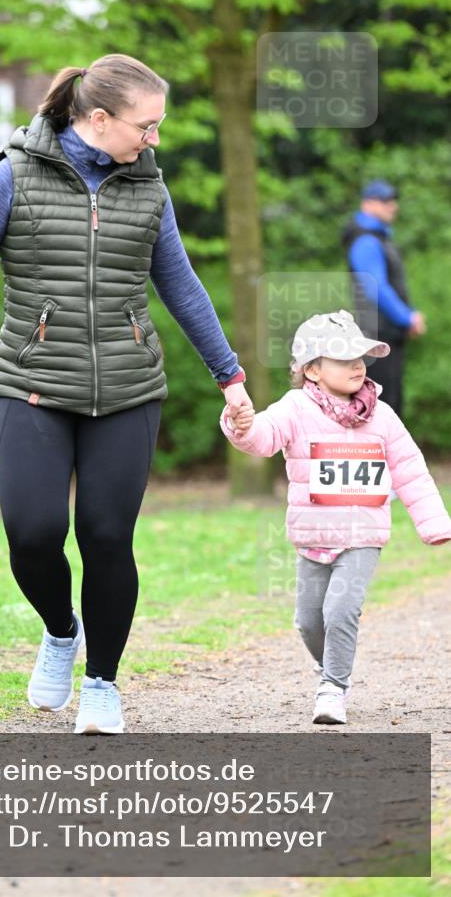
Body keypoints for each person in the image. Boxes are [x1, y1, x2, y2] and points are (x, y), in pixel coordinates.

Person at [0, 53, 252, 734]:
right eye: (144, 126)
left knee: (106, 537)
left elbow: (180, 284)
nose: (152, 139)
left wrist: (230, 376)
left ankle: (101, 684)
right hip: (30, 383)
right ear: (99, 119)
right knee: (33, 533)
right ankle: (61, 630)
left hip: (127, 389)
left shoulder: (148, 189)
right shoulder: (13, 178)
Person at [220, 310, 450, 726]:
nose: (357, 366)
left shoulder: (382, 415)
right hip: (313, 535)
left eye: (360, 357)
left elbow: (410, 469)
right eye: (343, 359)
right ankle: (329, 666)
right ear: (312, 369)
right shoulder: (294, 408)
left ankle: (334, 688)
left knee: (341, 611)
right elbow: (263, 439)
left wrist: (433, 523)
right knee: (309, 622)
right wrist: (241, 425)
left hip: (364, 534)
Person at [342, 179, 426, 417]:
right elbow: (375, 287)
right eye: (385, 201)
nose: (393, 206)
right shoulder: (366, 240)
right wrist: (407, 317)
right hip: (376, 337)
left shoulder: (377, 238)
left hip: (384, 335)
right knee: (381, 408)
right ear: (367, 204)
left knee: (389, 406)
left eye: (393, 201)